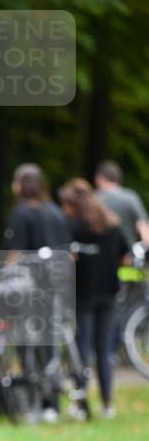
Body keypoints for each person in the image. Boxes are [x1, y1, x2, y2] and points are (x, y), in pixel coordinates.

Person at [4, 163, 71, 422]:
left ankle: (33, 396)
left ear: (21, 185)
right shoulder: (55, 211)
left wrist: (2, 277)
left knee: (27, 343)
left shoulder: (22, 213)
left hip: (30, 286)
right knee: (51, 342)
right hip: (57, 285)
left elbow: (15, 254)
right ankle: (51, 402)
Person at [58, 178, 129, 418]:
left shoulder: (74, 227)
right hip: (109, 293)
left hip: (84, 294)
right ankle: (107, 403)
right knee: (103, 350)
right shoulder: (112, 225)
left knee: (82, 349)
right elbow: (125, 256)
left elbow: (66, 258)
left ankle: (81, 401)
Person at [94, 160, 147, 250]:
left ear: (99, 178)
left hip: (101, 255)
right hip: (127, 257)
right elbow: (143, 226)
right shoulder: (130, 197)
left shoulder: (94, 198)